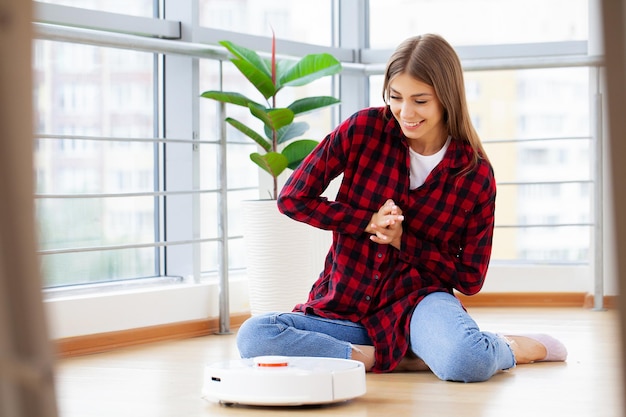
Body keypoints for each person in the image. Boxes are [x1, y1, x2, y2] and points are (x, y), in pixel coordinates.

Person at [236, 33, 567, 382]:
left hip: (418, 307)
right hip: (345, 307)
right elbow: (293, 198)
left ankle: (509, 346)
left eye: (420, 101)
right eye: (396, 97)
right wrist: (367, 222)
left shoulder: (474, 175)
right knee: (255, 335)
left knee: (466, 361)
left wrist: (401, 241)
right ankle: (398, 358)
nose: (405, 113)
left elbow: (470, 278)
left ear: (447, 99)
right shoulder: (363, 130)